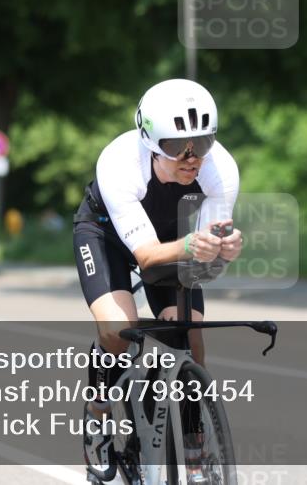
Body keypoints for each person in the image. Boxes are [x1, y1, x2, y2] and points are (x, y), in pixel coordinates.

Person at [73, 79, 242, 483]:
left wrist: (222, 252)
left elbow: (201, 265)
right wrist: (194, 244)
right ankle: (97, 418)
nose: (191, 158)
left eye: (200, 143)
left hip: (174, 238)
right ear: (150, 144)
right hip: (107, 236)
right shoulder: (119, 162)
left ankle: (198, 450)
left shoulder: (221, 169)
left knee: (190, 334)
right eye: (175, 147)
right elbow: (147, 258)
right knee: (117, 332)